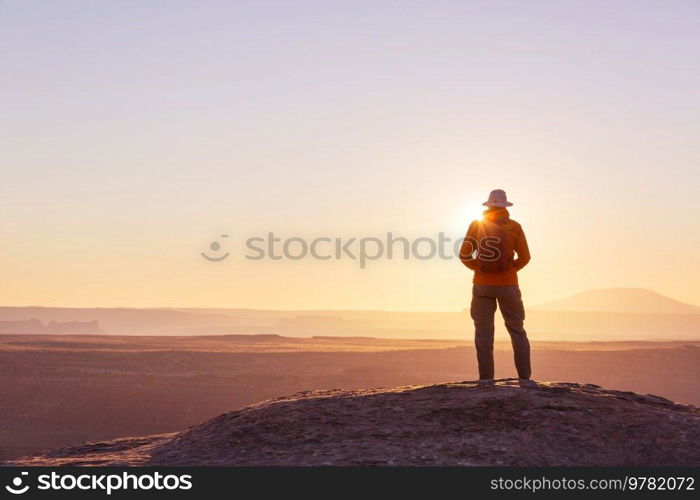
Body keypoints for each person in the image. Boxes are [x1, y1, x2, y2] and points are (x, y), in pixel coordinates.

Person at [459, 189, 532, 383]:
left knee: (483, 333)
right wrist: (510, 270)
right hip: (509, 285)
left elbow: (464, 254)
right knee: (517, 330)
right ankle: (525, 379)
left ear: (488, 205)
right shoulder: (515, 226)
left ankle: (486, 380)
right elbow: (525, 257)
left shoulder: (477, 225)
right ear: (505, 206)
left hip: (482, 286)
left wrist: (479, 269)